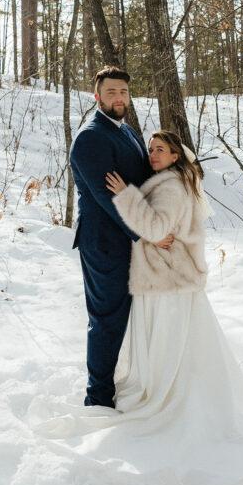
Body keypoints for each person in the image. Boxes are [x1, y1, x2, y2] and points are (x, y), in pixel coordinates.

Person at [34, 127, 243, 485]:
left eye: (160, 150)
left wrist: (125, 196)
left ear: (176, 156)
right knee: (178, 346)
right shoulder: (172, 181)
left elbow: (156, 228)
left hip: (169, 282)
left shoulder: (171, 187)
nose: (153, 155)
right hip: (170, 279)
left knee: (171, 345)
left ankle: (169, 400)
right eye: (152, 149)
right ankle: (167, 390)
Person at [69, 67, 173, 409]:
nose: (119, 98)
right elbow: (108, 197)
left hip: (132, 242)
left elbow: (143, 178)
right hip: (103, 243)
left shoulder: (125, 131)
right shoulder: (90, 137)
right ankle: (97, 398)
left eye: (124, 92)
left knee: (130, 317)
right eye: (111, 92)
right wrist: (149, 234)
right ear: (96, 96)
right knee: (106, 319)